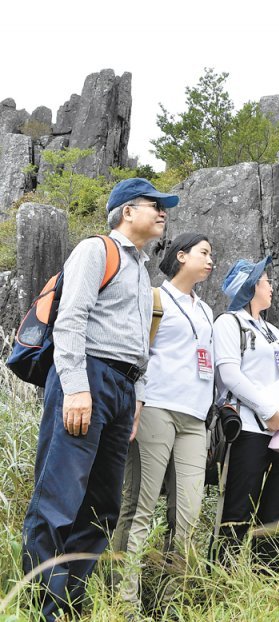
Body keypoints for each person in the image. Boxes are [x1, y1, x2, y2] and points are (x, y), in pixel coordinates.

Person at [22, 177, 179, 622]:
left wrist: (138, 399)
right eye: (155, 204)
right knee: (57, 498)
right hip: (87, 375)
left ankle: (71, 605)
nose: (163, 211)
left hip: (123, 390)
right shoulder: (97, 251)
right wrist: (75, 386)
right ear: (127, 211)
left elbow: (139, 345)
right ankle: (42, 610)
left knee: (102, 506)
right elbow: (70, 319)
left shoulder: (141, 269)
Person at [111, 233, 214, 608]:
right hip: (155, 407)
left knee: (187, 514)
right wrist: (135, 404)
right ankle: (124, 602)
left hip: (195, 417)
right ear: (181, 256)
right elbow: (137, 353)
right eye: (204, 253)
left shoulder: (206, 311)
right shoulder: (154, 298)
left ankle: (171, 603)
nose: (210, 260)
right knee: (139, 505)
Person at [211, 255, 279, 570]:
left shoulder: (273, 331)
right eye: (265, 281)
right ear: (251, 287)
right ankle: (223, 581)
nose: (271, 286)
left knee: (277, 512)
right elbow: (229, 375)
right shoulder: (228, 323)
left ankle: (266, 581)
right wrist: (266, 410)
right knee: (238, 508)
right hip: (247, 429)